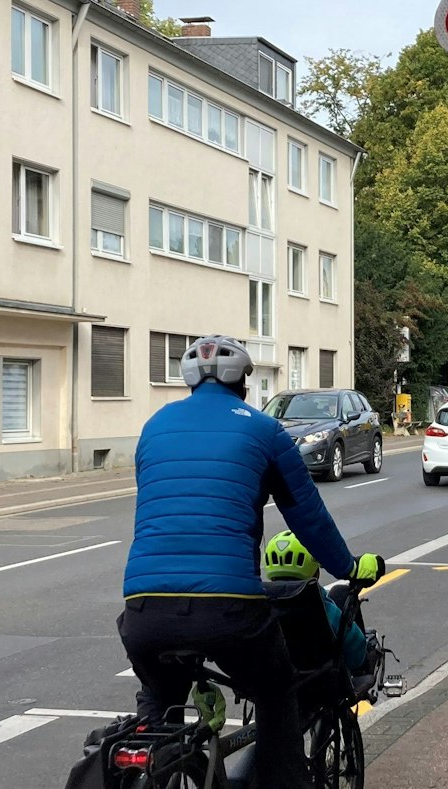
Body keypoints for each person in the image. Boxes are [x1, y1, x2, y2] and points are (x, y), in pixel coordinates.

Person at [118, 335, 385, 789]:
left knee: (159, 703)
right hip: (229, 610)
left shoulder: (154, 427)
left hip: (143, 610)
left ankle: (153, 756)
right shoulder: (263, 431)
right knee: (278, 693)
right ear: (245, 382)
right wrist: (347, 567)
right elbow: (307, 516)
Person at [260, 530, 368, 673]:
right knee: (341, 593)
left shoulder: (260, 603)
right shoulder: (321, 605)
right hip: (324, 683)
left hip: (276, 681)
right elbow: (357, 650)